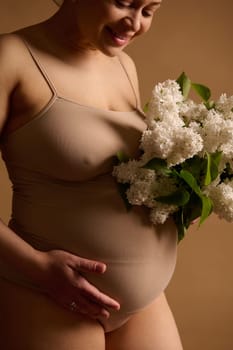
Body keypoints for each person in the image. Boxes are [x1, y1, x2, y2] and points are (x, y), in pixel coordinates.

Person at [0, 0, 183, 348]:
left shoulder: (124, 65)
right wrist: (38, 268)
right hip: (45, 293)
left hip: (142, 306)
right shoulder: (11, 57)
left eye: (149, 10)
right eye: (125, 3)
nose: (134, 24)